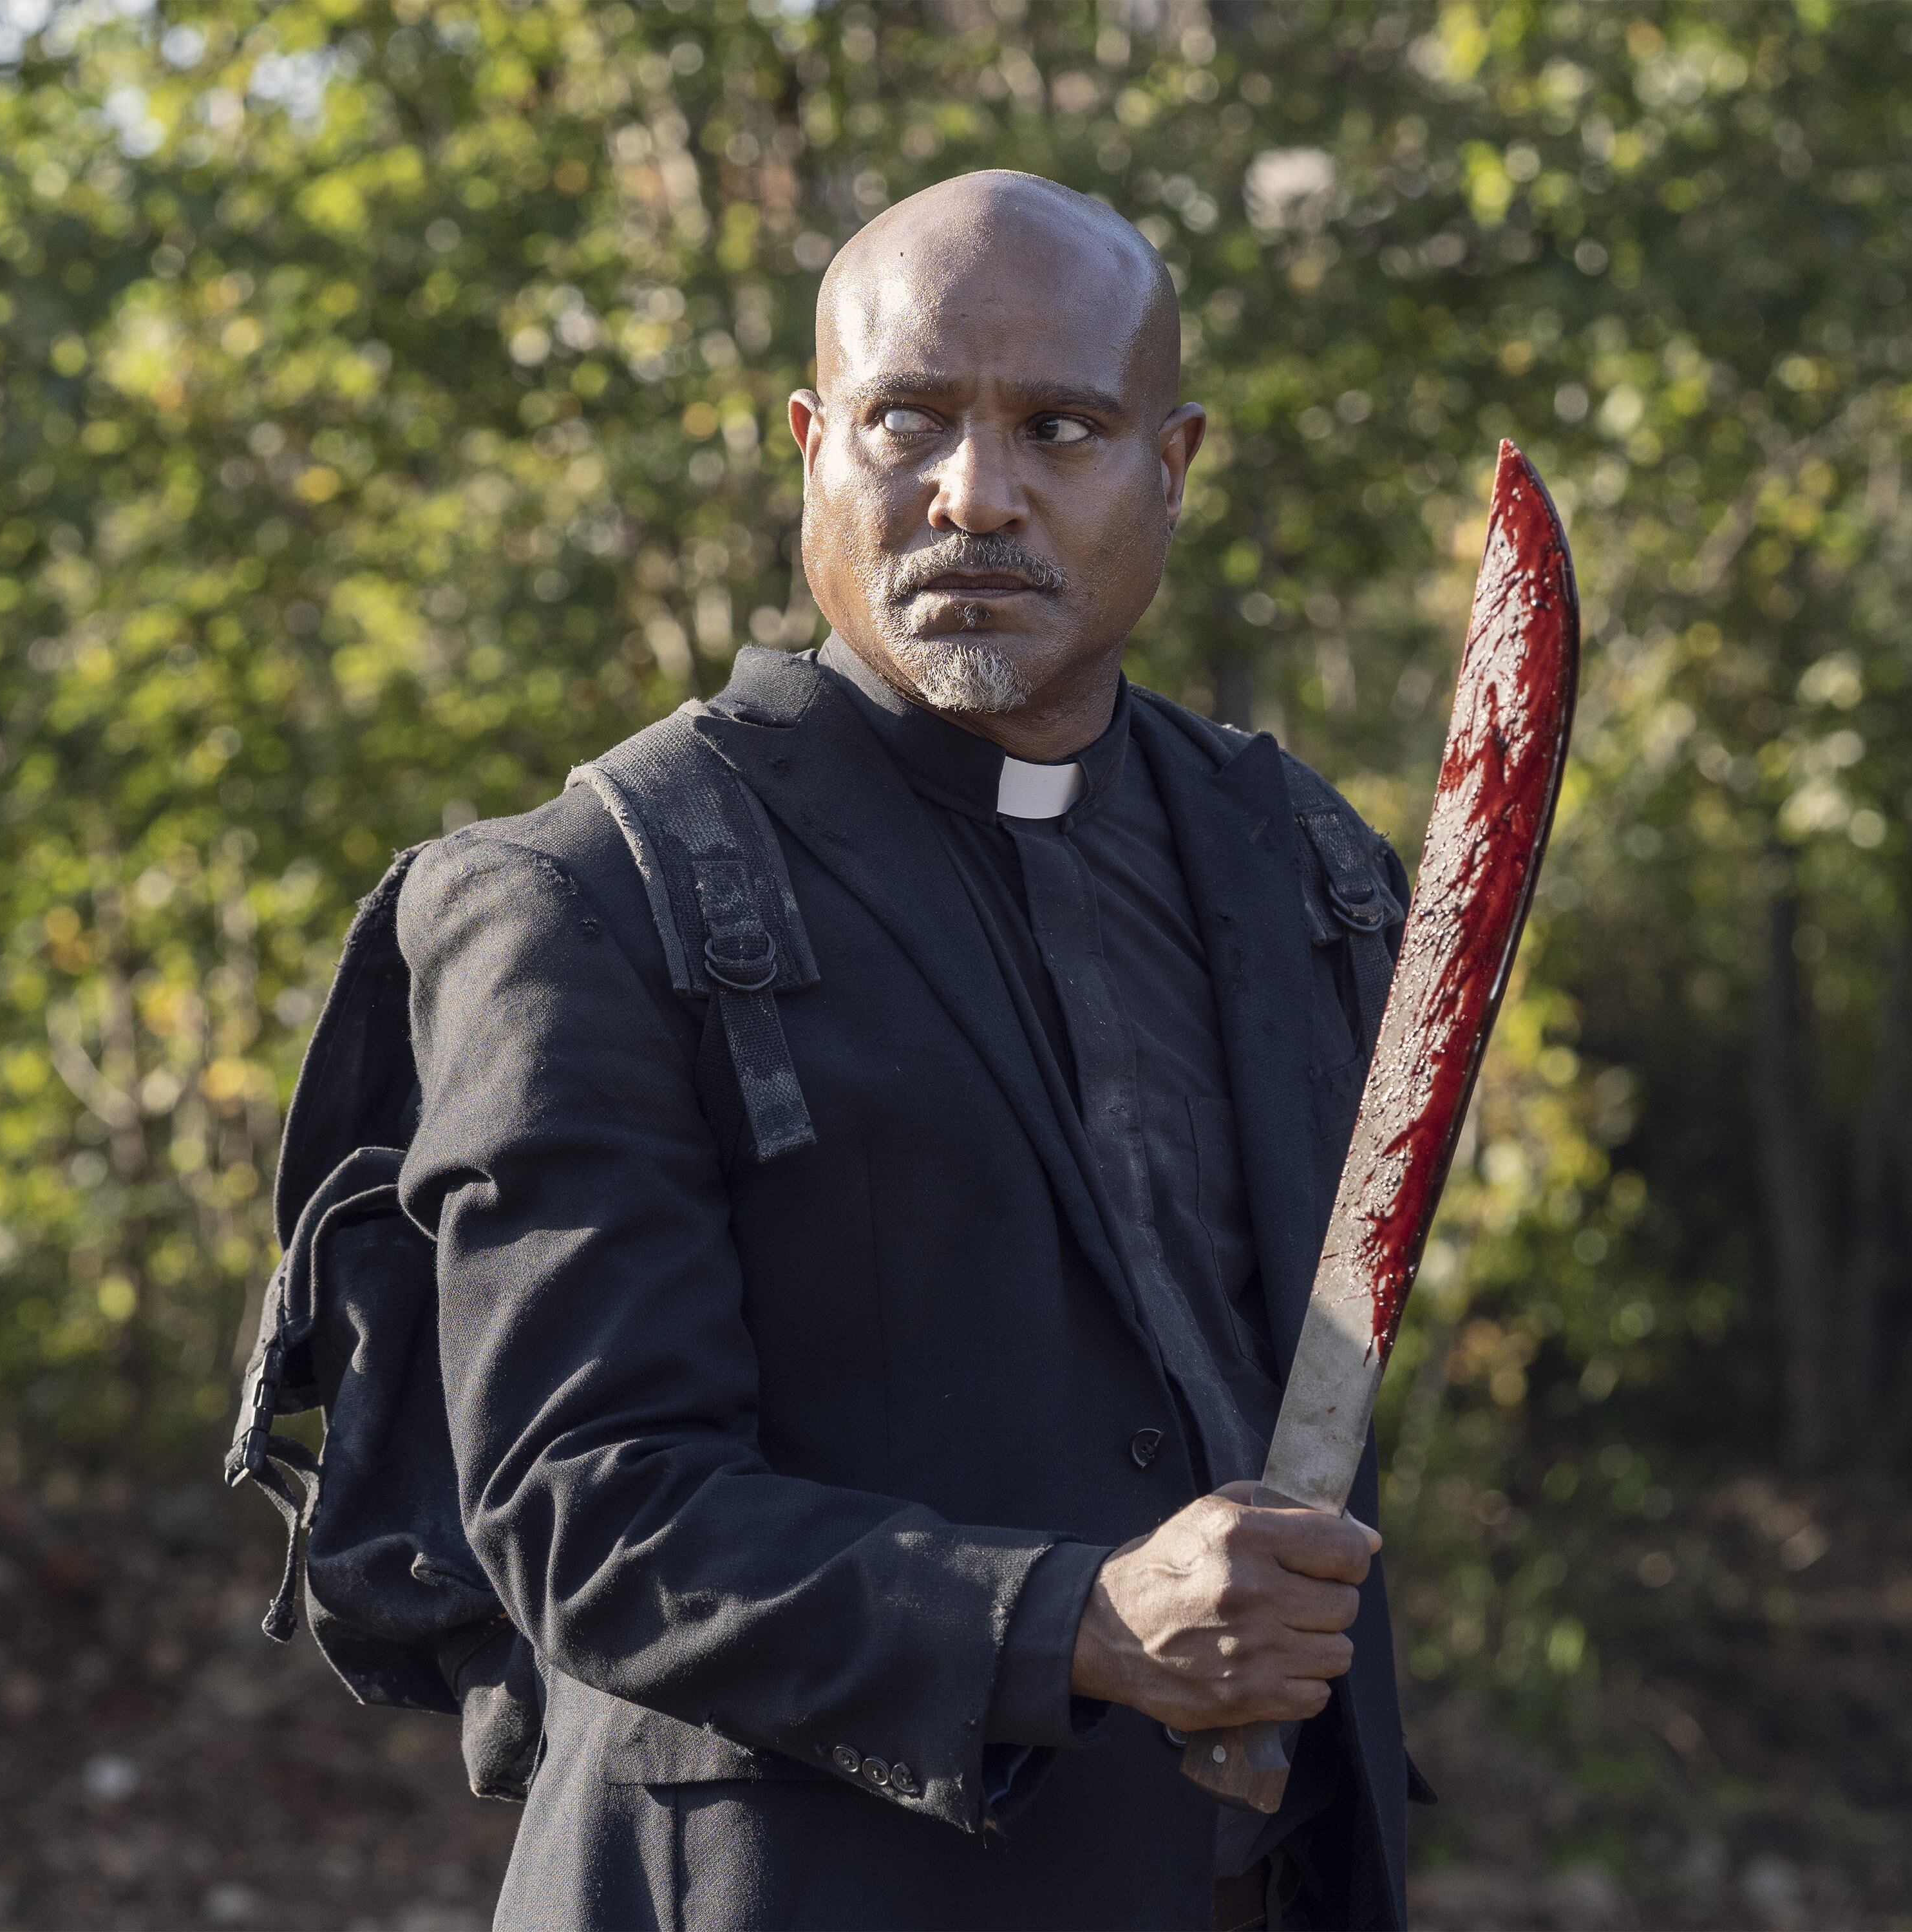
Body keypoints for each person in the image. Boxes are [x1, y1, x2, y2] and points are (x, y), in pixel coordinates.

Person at [399, 169, 1421, 1931]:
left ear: (1169, 468)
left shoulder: (1300, 864)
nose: (976, 493)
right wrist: (1076, 1623)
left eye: (1062, 427)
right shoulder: (586, 895)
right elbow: (587, 1515)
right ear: (812, 442)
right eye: (910, 420)